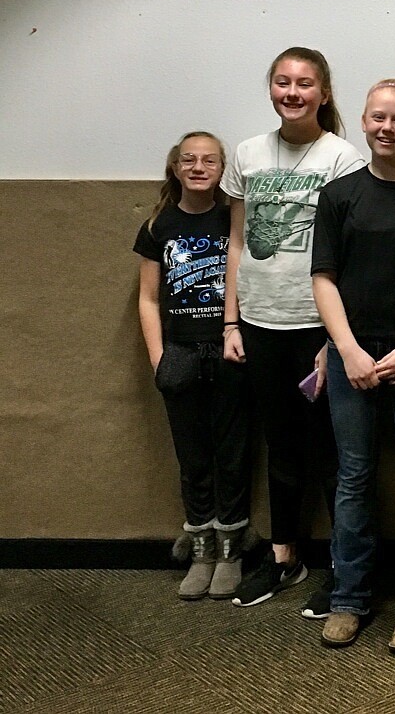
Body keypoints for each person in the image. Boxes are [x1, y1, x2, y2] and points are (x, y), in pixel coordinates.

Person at [222, 47, 365, 614]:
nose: (293, 92)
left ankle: (343, 568)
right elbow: (237, 240)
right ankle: (285, 559)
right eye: (283, 82)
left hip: (316, 328)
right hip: (260, 323)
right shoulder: (248, 153)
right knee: (280, 447)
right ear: (271, 89)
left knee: (333, 453)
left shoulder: (342, 157)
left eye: (305, 84)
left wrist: (338, 340)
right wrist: (231, 319)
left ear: (323, 94)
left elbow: (349, 256)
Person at [311, 80, 395, 654]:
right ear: (363, 123)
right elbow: (323, 278)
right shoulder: (340, 195)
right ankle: (349, 598)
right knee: (353, 479)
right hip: (352, 358)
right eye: (377, 118)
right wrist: (347, 350)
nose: (387, 128)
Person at [134, 131, 253, 600]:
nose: (199, 167)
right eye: (190, 160)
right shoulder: (157, 226)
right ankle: (201, 544)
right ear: (176, 167)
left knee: (233, 451)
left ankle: (231, 547)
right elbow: (147, 299)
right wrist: (159, 358)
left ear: (223, 169)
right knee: (193, 455)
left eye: (209, 160)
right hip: (180, 352)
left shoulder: (232, 219)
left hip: (228, 347)